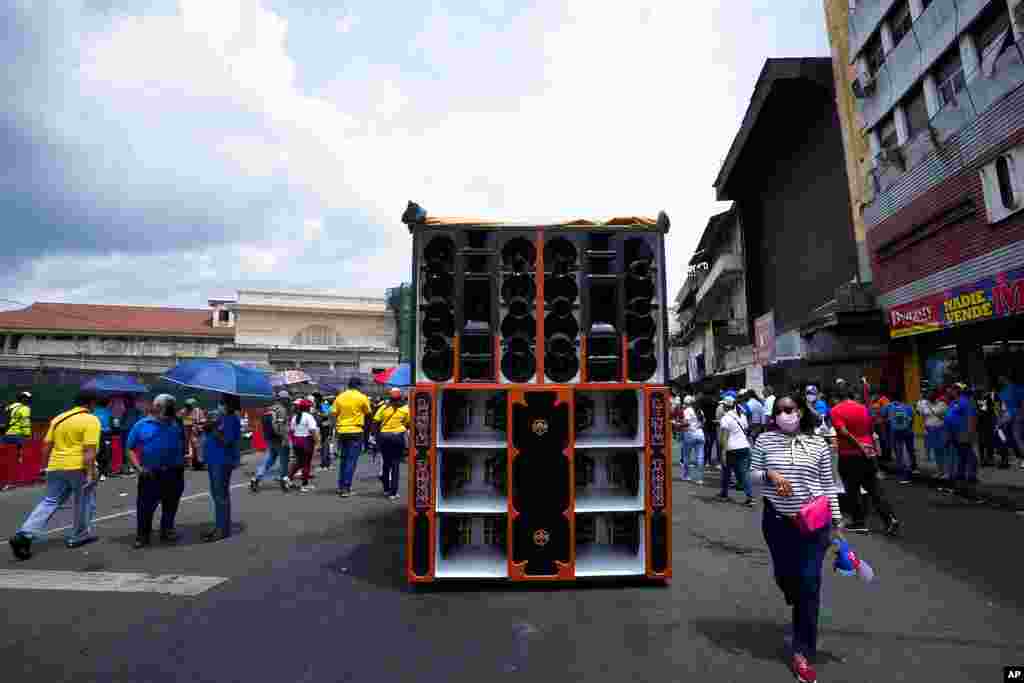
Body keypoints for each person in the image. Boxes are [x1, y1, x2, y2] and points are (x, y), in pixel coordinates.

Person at [750, 392, 844, 683]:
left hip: (814, 524)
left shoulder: (819, 444)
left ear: (801, 412)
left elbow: (829, 484)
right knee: (787, 577)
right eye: (778, 410)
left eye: (789, 409)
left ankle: (803, 651)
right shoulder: (764, 440)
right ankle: (793, 591)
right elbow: (751, 475)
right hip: (777, 522)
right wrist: (770, 475)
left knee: (809, 583)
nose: (783, 414)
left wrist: (837, 521)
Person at [8, 391, 101, 560]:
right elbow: (89, 450)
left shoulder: (59, 418)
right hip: (78, 467)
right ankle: (79, 535)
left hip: (55, 466)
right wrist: (89, 472)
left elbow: (46, 446)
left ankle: (24, 534)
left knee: (49, 501)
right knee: (84, 501)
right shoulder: (91, 420)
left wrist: (44, 467)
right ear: (91, 403)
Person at [830, 383, 900, 535]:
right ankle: (889, 518)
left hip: (849, 455)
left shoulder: (835, 410)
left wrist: (858, 444)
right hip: (868, 454)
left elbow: (842, 431)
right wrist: (871, 450)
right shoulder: (862, 408)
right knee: (874, 488)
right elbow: (870, 430)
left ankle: (859, 522)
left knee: (852, 489)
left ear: (836, 397)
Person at [125, 394, 186, 549]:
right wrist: (138, 468)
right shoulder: (142, 425)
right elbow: (130, 448)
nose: (170, 415)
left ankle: (167, 530)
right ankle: (142, 536)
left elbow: (182, 442)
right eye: (168, 410)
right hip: (150, 473)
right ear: (157, 408)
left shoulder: (176, 424)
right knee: (145, 506)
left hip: (174, 471)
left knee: (171, 504)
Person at [203, 393, 242, 542]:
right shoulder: (220, 417)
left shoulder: (231, 419)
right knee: (217, 495)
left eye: (223, 402)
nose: (222, 405)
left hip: (222, 461)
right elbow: (209, 431)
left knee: (220, 496)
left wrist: (214, 429)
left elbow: (226, 441)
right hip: (214, 460)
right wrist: (209, 426)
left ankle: (222, 529)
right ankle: (220, 526)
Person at [331, 377, 372, 498]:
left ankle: (340, 486)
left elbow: (333, 414)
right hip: (356, 431)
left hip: (342, 431)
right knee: (351, 460)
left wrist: (336, 429)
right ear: (358, 386)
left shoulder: (340, 397)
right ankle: (346, 488)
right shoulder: (362, 397)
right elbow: (368, 413)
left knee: (343, 460)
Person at [945, 382, 980, 501]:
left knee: (969, 458)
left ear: (958, 391)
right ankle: (962, 484)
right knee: (964, 459)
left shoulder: (965, 402)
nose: (950, 391)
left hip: (963, 435)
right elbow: (949, 418)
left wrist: (969, 434)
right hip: (956, 435)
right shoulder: (955, 402)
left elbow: (971, 419)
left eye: (953, 389)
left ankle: (968, 483)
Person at [374, 388, 411, 500]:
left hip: (384, 437)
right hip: (397, 437)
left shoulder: (384, 408)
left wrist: (376, 437)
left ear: (390, 398)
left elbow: (375, 421)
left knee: (386, 463)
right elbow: (408, 423)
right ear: (400, 398)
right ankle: (393, 492)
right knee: (395, 465)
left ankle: (386, 489)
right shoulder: (406, 409)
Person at [251, 391, 291, 492]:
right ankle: (284, 481)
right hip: (280, 438)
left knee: (269, 459)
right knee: (284, 461)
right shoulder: (281, 410)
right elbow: (281, 426)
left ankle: (256, 477)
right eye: (287, 399)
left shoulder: (270, 408)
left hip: (270, 438)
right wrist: (285, 438)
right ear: (284, 399)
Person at [718, 395, 753, 506]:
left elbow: (724, 437)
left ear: (726, 406)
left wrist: (723, 452)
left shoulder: (725, 418)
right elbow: (746, 430)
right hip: (744, 447)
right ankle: (750, 497)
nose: (722, 406)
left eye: (723, 404)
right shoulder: (742, 416)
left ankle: (724, 494)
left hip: (731, 449)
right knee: (744, 474)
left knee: (726, 472)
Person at [287, 399, 320, 492]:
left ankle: (288, 478)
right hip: (306, 442)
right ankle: (304, 485)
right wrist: (317, 442)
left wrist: (293, 441)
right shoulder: (309, 417)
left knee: (299, 462)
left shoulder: (295, 417)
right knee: (306, 463)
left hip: (297, 441)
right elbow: (313, 430)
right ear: (308, 408)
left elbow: (291, 431)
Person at [886, 392, 916, 484]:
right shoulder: (908, 407)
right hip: (908, 431)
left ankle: (904, 475)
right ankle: (912, 468)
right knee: (909, 450)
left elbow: (883, 415)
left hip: (896, 433)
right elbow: (912, 418)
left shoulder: (889, 406)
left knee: (899, 453)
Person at [679, 395, 706, 485]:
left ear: (687, 403)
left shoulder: (687, 411)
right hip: (700, 434)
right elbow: (703, 422)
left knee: (686, 456)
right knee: (700, 457)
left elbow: (686, 423)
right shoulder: (700, 411)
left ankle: (686, 475)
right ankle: (700, 478)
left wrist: (678, 424)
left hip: (689, 434)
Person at [2, 391, 32, 465]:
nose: (29, 400)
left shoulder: (11, 406)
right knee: (20, 449)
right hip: (17, 434)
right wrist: (27, 434)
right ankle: (19, 459)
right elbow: (25, 423)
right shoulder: (25, 409)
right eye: (27, 398)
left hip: (5, 433)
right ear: (23, 399)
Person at [92, 398, 114, 480]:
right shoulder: (108, 412)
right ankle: (103, 473)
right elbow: (112, 422)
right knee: (105, 453)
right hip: (106, 434)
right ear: (107, 404)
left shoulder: (94, 411)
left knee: (98, 453)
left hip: (96, 433)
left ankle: (98, 472)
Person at [976, 388, 997, 467]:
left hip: (987, 423)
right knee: (982, 442)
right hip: (981, 423)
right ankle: (983, 459)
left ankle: (989, 459)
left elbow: (990, 410)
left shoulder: (988, 398)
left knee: (988, 442)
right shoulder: (977, 398)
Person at [869, 390, 892, 462]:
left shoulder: (883, 400)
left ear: (877, 394)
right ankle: (882, 455)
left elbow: (886, 412)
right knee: (880, 440)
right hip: (877, 424)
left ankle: (886, 456)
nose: (872, 397)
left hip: (882, 424)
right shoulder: (875, 401)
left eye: (873, 395)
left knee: (884, 440)